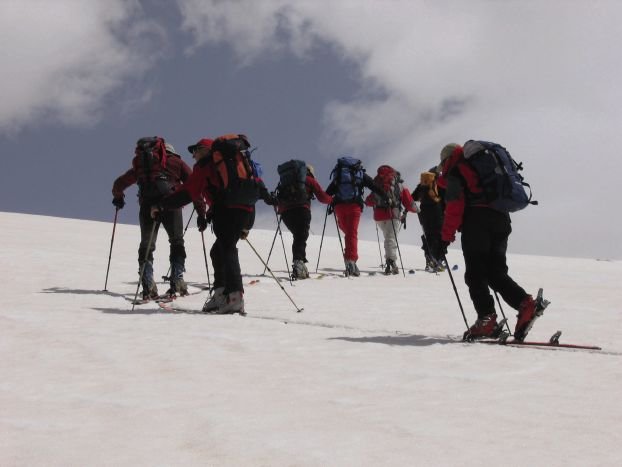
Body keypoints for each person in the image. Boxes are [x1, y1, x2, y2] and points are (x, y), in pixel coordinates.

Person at [153, 134, 270, 315]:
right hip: (245, 210)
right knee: (218, 251)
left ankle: (234, 297)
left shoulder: (205, 166)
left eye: (195, 151)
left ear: (206, 150)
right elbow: (256, 183)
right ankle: (221, 294)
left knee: (227, 249)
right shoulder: (235, 162)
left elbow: (188, 192)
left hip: (226, 210)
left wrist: (163, 205)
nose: (193, 155)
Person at [437, 142, 542, 340]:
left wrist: (445, 238)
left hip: (477, 223)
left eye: (442, 163)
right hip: (501, 221)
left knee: (475, 274)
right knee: (495, 273)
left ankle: (486, 320)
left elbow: (454, 207)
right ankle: (526, 304)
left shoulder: (457, 171)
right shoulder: (478, 167)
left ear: (447, 159)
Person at [112, 138, 204, 300]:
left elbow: (119, 183)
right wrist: (201, 212)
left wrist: (118, 198)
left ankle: (148, 285)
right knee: (176, 241)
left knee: (147, 244)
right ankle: (177, 281)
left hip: (147, 206)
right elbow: (193, 186)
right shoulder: (177, 162)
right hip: (171, 205)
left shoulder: (141, 166)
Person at [326, 157, 387, 277]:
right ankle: (351, 261)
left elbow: (329, 191)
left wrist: (329, 202)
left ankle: (349, 258)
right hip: (354, 206)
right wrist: (385, 196)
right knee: (351, 233)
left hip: (339, 206)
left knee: (348, 231)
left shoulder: (339, 174)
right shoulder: (360, 174)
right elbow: (374, 186)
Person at [275, 162, 333, 279]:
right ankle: (299, 264)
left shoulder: (285, 181)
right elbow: (322, 197)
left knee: (298, 236)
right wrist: (332, 200)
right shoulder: (310, 180)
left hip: (285, 212)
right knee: (301, 236)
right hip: (302, 209)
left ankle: (300, 263)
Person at [364, 165, 418, 275]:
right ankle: (391, 261)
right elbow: (409, 203)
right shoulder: (399, 185)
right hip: (393, 214)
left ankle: (390, 260)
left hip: (378, 217)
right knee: (390, 238)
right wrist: (417, 210)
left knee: (388, 237)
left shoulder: (377, 184)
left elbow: (369, 201)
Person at [412, 166, 445, 272]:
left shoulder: (422, 185)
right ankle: (437, 260)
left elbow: (413, 197)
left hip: (424, 214)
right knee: (438, 236)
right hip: (437, 213)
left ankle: (429, 259)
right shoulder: (439, 183)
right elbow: (445, 199)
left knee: (428, 236)